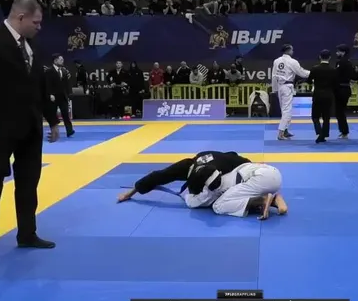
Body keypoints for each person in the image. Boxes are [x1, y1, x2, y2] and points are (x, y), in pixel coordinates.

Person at [0, 0, 60, 249]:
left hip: (31, 126)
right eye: (36, 22)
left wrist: (52, 120)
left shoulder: (33, 45)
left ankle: (27, 233)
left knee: (29, 182)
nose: (39, 27)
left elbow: (41, 85)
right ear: (20, 17)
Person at [118, 149, 250, 203]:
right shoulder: (185, 167)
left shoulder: (232, 162)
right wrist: (131, 192)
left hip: (218, 160)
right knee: (163, 175)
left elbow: (244, 162)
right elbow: (157, 176)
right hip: (199, 162)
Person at [211, 163, 288, 220]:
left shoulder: (215, 182)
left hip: (259, 179)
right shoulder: (231, 164)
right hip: (275, 174)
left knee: (217, 206)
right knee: (241, 195)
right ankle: (274, 200)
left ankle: (262, 201)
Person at [271, 45, 309, 140]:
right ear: (288, 50)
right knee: (287, 110)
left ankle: (285, 130)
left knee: (285, 110)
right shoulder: (292, 62)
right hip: (287, 86)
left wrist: (275, 89)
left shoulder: (276, 61)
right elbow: (302, 73)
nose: (293, 51)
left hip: (280, 86)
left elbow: (274, 76)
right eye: (292, 49)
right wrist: (313, 72)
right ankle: (281, 132)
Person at [308, 49, 338, 144]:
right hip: (329, 95)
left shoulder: (314, 69)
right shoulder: (333, 70)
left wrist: (314, 82)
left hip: (317, 94)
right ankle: (324, 134)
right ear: (330, 58)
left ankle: (319, 132)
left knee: (315, 116)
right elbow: (335, 84)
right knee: (326, 116)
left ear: (320, 57)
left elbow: (309, 81)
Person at [45, 53, 75, 137]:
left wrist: (69, 93)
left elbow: (67, 84)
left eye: (63, 60)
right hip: (53, 97)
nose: (63, 61)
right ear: (55, 60)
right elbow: (47, 84)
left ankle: (69, 130)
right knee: (52, 115)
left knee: (65, 114)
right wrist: (50, 94)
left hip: (63, 96)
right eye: (61, 60)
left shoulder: (64, 71)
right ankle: (53, 130)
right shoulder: (49, 71)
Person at [333, 44, 354, 139]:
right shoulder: (349, 62)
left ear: (343, 52)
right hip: (346, 89)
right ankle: (344, 131)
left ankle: (344, 131)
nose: (336, 53)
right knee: (340, 111)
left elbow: (336, 75)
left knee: (339, 112)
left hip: (341, 89)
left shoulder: (341, 62)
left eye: (338, 51)